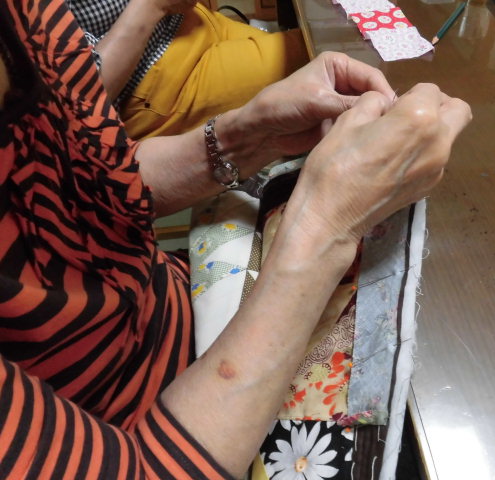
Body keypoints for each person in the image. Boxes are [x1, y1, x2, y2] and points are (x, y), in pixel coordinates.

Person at [0, 0, 471, 478]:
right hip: (176, 433)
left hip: (177, 302)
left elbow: (73, 171)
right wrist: (324, 227)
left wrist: (248, 136)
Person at [65, 0, 309, 139]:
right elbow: (80, 95)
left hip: (190, 21)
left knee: (308, 41)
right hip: (159, 84)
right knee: (317, 53)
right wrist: (153, 5)